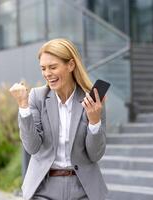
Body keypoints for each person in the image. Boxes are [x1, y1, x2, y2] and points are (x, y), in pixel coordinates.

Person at [9, 38, 108, 200]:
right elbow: (32, 147)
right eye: (43, 68)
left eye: (53, 67)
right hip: (43, 188)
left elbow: (95, 155)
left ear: (70, 65)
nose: (47, 74)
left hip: (83, 188)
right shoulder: (37, 97)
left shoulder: (92, 100)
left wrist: (94, 121)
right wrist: (23, 106)